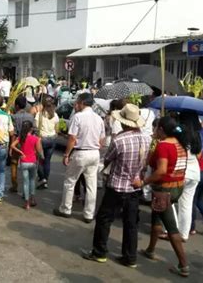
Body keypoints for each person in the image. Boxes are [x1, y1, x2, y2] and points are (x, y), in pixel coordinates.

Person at [82, 104, 150, 268]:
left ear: (124, 122)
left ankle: (99, 252)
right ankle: (130, 257)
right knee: (131, 223)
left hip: (117, 185)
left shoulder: (119, 140)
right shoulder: (147, 139)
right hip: (134, 186)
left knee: (104, 219)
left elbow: (108, 159)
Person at [133, 116, 190, 278]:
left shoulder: (164, 146)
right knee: (156, 218)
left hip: (164, 190)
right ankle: (150, 249)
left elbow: (161, 170)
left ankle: (183, 264)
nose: (154, 130)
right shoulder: (180, 143)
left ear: (162, 130)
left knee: (171, 228)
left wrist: (143, 182)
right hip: (177, 187)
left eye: (156, 127)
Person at [54, 93, 105, 223]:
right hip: (94, 153)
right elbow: (102, 140)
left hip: (81, 152)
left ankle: (66, 209)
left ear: (82, 102)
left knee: (70, 181)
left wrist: (66, 154)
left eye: (77, 102)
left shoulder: (78, 117)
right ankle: (88, 214)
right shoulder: (99, 118)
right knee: (91, 185)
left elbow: (72, 138)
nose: (76, 104)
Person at [176, 111, 202, 242]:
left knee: (171, 202)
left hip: (181, 171)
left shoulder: (179, 132)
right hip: (195, 172)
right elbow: (199, 155)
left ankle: (170, 230)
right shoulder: (197, 135)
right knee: (187, 204)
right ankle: (184, 234)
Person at [10, 120, 44, 210]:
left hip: (24, 162)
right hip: (32, 162)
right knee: (32, 181)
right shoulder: (35, 138)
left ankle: (27, 203)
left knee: (25, 182)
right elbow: (39, 151)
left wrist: (20, 152)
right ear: (31, 129)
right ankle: (33, 199)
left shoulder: (21, 138)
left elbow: (12, 145)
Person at [10, 96, 35, 193]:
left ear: (16, 106)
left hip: (17, 144)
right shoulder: (31, 117)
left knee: (14, 163)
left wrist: (11, 146)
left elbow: (13, 133)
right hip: (28, 144)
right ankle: (27, 190)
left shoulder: (14, 117)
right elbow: (35, 131)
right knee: (28, 166)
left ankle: (14, 185)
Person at [35, 96, 59, 189]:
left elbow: (36, 128)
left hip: (42, 139)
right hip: (52, 139)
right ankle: (46, 180)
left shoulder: (39, 115)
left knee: (39, 160)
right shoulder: (55, 115)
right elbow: (57, 129)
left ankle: (42, 179)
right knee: (47, 161)